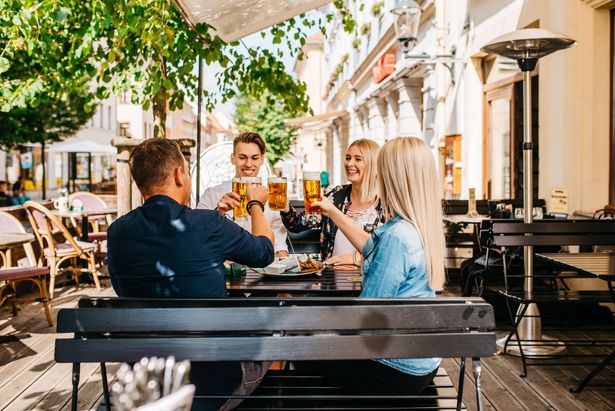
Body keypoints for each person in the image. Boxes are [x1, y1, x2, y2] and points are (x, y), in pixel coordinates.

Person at [106, 138, 275, 411]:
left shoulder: (117, 232)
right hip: (214, 388)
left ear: (139, 184)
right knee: (279, 322)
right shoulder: (207, 223)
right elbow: (264, 252)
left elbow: (120, 288)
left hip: (147, 386)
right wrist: (255, 203)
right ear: (178, 174)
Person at [311, 136, 446, 396]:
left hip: (393, 369)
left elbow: (368, 314)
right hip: (422, 362)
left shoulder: (398, 236)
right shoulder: (419, 226)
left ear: (392, 177)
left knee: (297, 347)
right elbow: (371, 246)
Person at [281, 139, 384, 265]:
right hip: (332, 279)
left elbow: (389, 253)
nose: (349, 163)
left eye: (358, 159)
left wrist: (356, 258)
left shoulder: (385, 204)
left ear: (372, 164)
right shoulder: (336, 195)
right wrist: (284, 206)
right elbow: (298, 225)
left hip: (367, 280)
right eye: (348, 158)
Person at [197, 132, 289, 257]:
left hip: (263, 271)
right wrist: (217, 213)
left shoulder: (272, 197)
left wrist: (282, 259)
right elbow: (198, 236)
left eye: (255, 158)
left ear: (262, 159)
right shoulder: (212, 195)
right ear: (232, 158)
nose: (248, 164)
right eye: (242, 157)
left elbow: (278, 242)